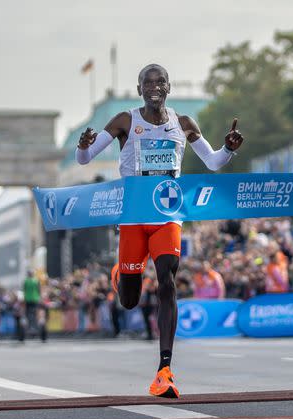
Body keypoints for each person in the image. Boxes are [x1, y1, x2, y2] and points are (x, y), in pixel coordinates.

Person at [76, 64, 243, 397]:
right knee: (128, 300)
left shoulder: (183, 124)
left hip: (168, 213)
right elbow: (84, 159)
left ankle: (165, 369)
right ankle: (121, 275)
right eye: (147, 83)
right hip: (134, 216)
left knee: (167, 279)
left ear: (169, 87)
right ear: (140, 89)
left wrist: (229, 149)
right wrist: (83, 146)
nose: (154, 87)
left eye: (160, 82)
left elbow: (212, 161)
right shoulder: (125, 121)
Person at [21, 270, 47, 342]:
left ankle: (29, 326)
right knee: (37, 314)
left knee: (28, 314)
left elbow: (24, 290)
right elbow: (39, 290)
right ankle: (36, 325)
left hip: (28, 300)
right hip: (35, 300)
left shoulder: (26, 281)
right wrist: (40, 298)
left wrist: (24, 298)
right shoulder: (36, 281)